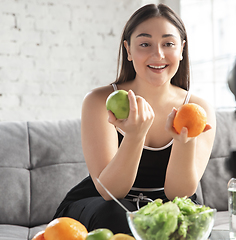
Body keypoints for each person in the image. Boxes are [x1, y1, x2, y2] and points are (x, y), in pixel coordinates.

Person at [53, 3, 216, 234]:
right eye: (145, 44)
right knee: (119, 216)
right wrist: (134, 135)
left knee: (190, 222)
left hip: (166, 204)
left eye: (168, 43)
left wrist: (183, 143)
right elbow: (110, 192)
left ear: (181, 49)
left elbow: (180, 193)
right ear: (128, 50)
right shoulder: (99, 101)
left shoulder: (198, 108)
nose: (158, 54)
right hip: (104, 205)